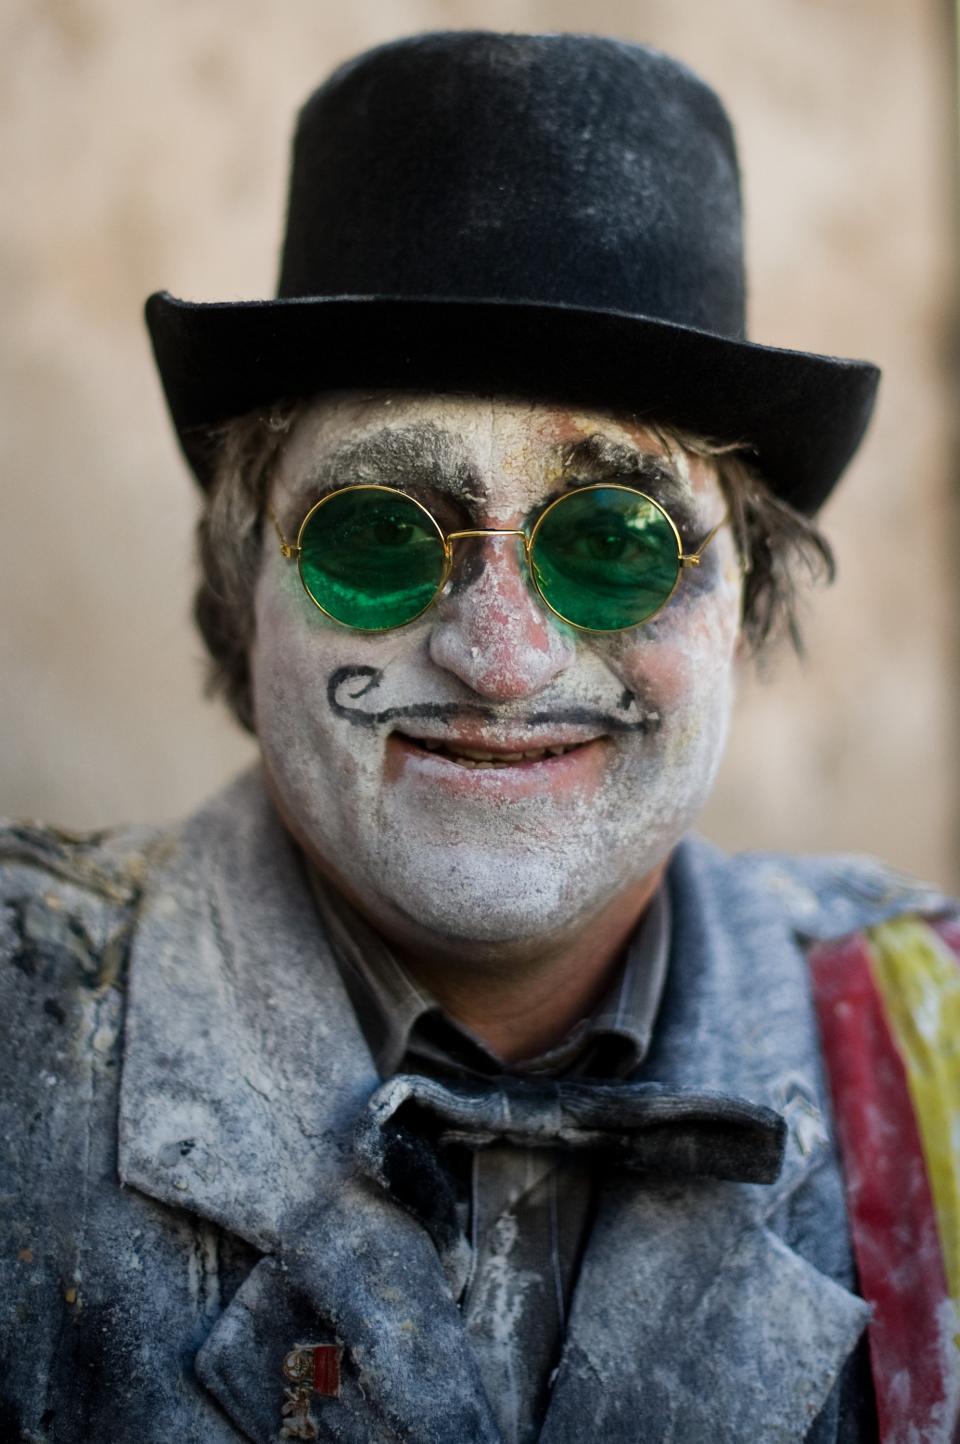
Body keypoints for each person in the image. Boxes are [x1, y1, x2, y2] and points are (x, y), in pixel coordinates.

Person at [1, 31, 957, 1444]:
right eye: (379, 535)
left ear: (746, 611)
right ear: (236, 593)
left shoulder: (935, 1060)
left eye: (617, 544)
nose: (499, 662)